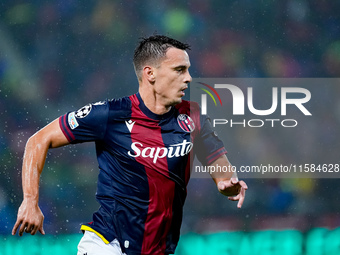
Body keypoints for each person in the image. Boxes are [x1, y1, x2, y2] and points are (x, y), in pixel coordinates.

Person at [12, 35, 248, 255]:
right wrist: (31, 201)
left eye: (188, 70)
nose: (188, 78)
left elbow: (221, 168)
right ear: (150, 73)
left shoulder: (193, 117)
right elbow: (38, 140)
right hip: (107, 244)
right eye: (179, 70)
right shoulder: (110, 114)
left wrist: (228, 184)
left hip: (158, 248)